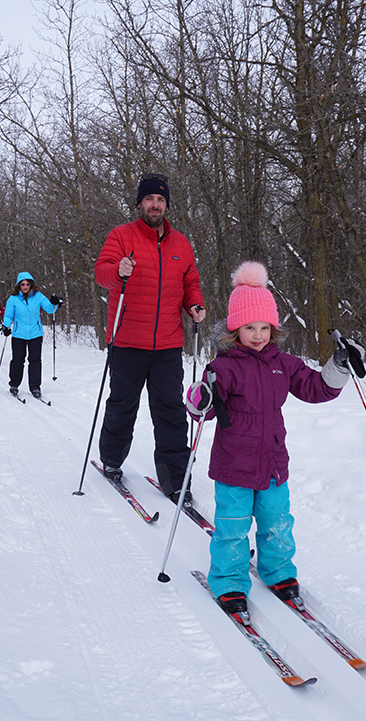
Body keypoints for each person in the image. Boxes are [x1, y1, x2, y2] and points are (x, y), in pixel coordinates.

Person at [186, 261, 364, 616]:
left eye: (264, 327)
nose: (257, 334)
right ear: (235, 329)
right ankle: (229, 581)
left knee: (277, 523)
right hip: (234, 467)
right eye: (249, 327)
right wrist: (200, 397)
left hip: (271, 465)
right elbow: (201, 409)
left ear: (273, 328)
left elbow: (317, 389)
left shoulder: (285, 363)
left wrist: (340, 365)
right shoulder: (224, 367)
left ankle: (279, 573)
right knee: (232, 529)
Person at [94, 173, 206, 502]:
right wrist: (118, 272)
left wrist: (195, 304)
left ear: (166, 206)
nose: (155, 205)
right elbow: (102, 272)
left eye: (160, 200)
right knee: (122, 406)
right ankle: (112, 460)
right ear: (140, 203)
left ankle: (175, 479)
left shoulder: (181, 244)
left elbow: (190, 283)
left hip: (168, 345)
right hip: (127, 341)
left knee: (170, 411)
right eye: (149, 199)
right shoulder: (121, 236)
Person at [2, 271, 63, 399]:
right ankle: (14, 385)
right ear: (18, 285)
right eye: (22, 284)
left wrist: (55, 302)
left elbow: (49, 309)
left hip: (35, 333)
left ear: (31, 285)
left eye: (27, 284)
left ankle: (35, 387)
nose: (25, 287)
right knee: (18, 360)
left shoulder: (38, 296)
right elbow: (8, 315)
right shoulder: (13, 299)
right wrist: (6, 326)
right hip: (19, 334)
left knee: (35, 361)